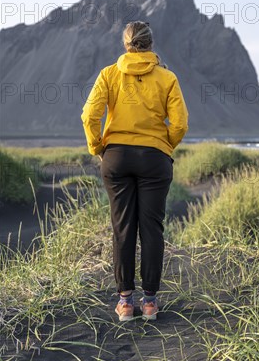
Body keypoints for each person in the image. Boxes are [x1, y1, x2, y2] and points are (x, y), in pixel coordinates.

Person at [81, 21, 189, 322]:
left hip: (116, 158)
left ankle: (126, 304)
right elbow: (180, 124)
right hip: (154, 159)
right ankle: (151, 303)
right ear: (150, 44)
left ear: (126, 44)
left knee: (122, 228)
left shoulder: (109, 74)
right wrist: (162, 145)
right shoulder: (167, 78)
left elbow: (90, 115)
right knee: (152, 229)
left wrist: (98, 148)